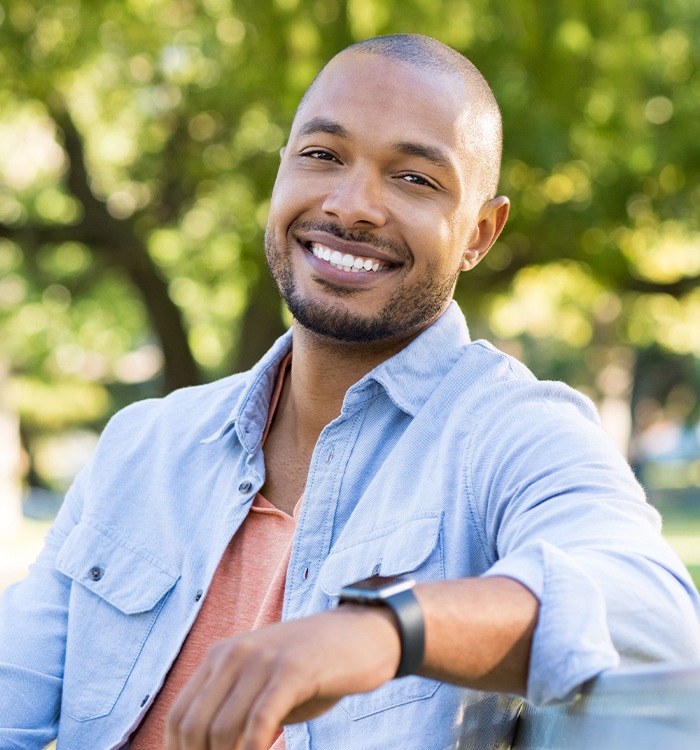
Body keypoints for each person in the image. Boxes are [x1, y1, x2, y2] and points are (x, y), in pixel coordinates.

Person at [1, 33, 699, 750]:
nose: (353, 204)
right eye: (323, 156)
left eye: (414, 179)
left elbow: (651, 615)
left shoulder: (512, 432)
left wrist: (384, 629)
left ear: (480, 235)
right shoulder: (141, 445)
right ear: (281, 175)